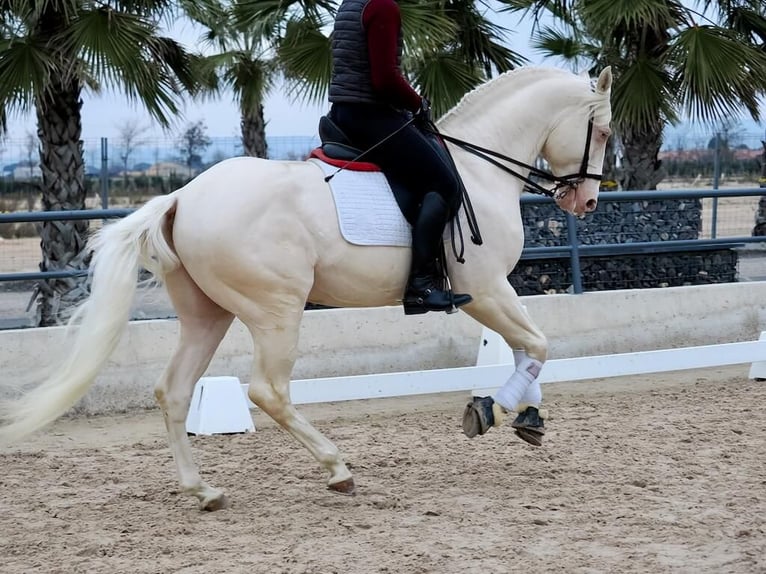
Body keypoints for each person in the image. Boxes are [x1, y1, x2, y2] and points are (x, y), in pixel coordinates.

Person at [327, 0, 472, 315]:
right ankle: (421, 285)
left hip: (343, 111)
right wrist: (418, 103)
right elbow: (384, 79)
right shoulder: (382, 6)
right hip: (371, 116)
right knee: (444, 184)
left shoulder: (351, 3)